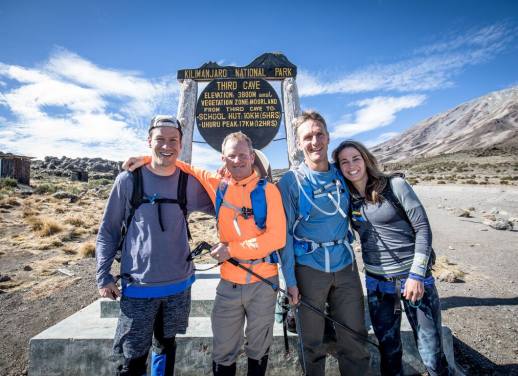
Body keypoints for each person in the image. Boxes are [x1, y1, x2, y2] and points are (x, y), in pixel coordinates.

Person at [124, 131, 286, 376]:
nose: (238, 160)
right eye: (232, 156)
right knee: (223, 349)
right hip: (229, 283)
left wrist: (231, 249)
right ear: (223, 158)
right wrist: (147, 159)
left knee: (258, 348)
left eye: (243, 155)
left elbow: (276, 238)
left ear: (252, 156)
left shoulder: (269, 191)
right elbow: (184, 166)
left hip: (263, 283)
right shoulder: (217, 184)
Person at [96, 115, 214, 376]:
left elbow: (224, 205)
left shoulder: (189, 183)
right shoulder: (128, 181)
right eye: (160, 139)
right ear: (149, 141)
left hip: (179, 286)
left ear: (181, 144)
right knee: (131, 358)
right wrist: (103, 276)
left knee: (165, 347)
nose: (166, 145)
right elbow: (109, 230)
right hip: (139, 286)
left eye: (173, 140)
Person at [331, 140, 451, 376]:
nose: (351, 165)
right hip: (378, 285)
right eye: (344, 161)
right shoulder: (347, 198)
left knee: (431, 353)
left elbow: (423, 229)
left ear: (365, 159)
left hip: (414, 281)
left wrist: (417, 274)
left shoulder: (395, 185)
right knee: (389, 352)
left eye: (355, 158)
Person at [277, 111, 372, 375]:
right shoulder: (290, 182)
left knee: (354, 337)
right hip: (308, 270)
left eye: (319, 134)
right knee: (311, 343)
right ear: (299, 144)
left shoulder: (344, 174)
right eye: (307, 137)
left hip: (346, 268)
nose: (314, 141)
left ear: (328, 137)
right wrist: (289, 281)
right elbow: (283, 236)